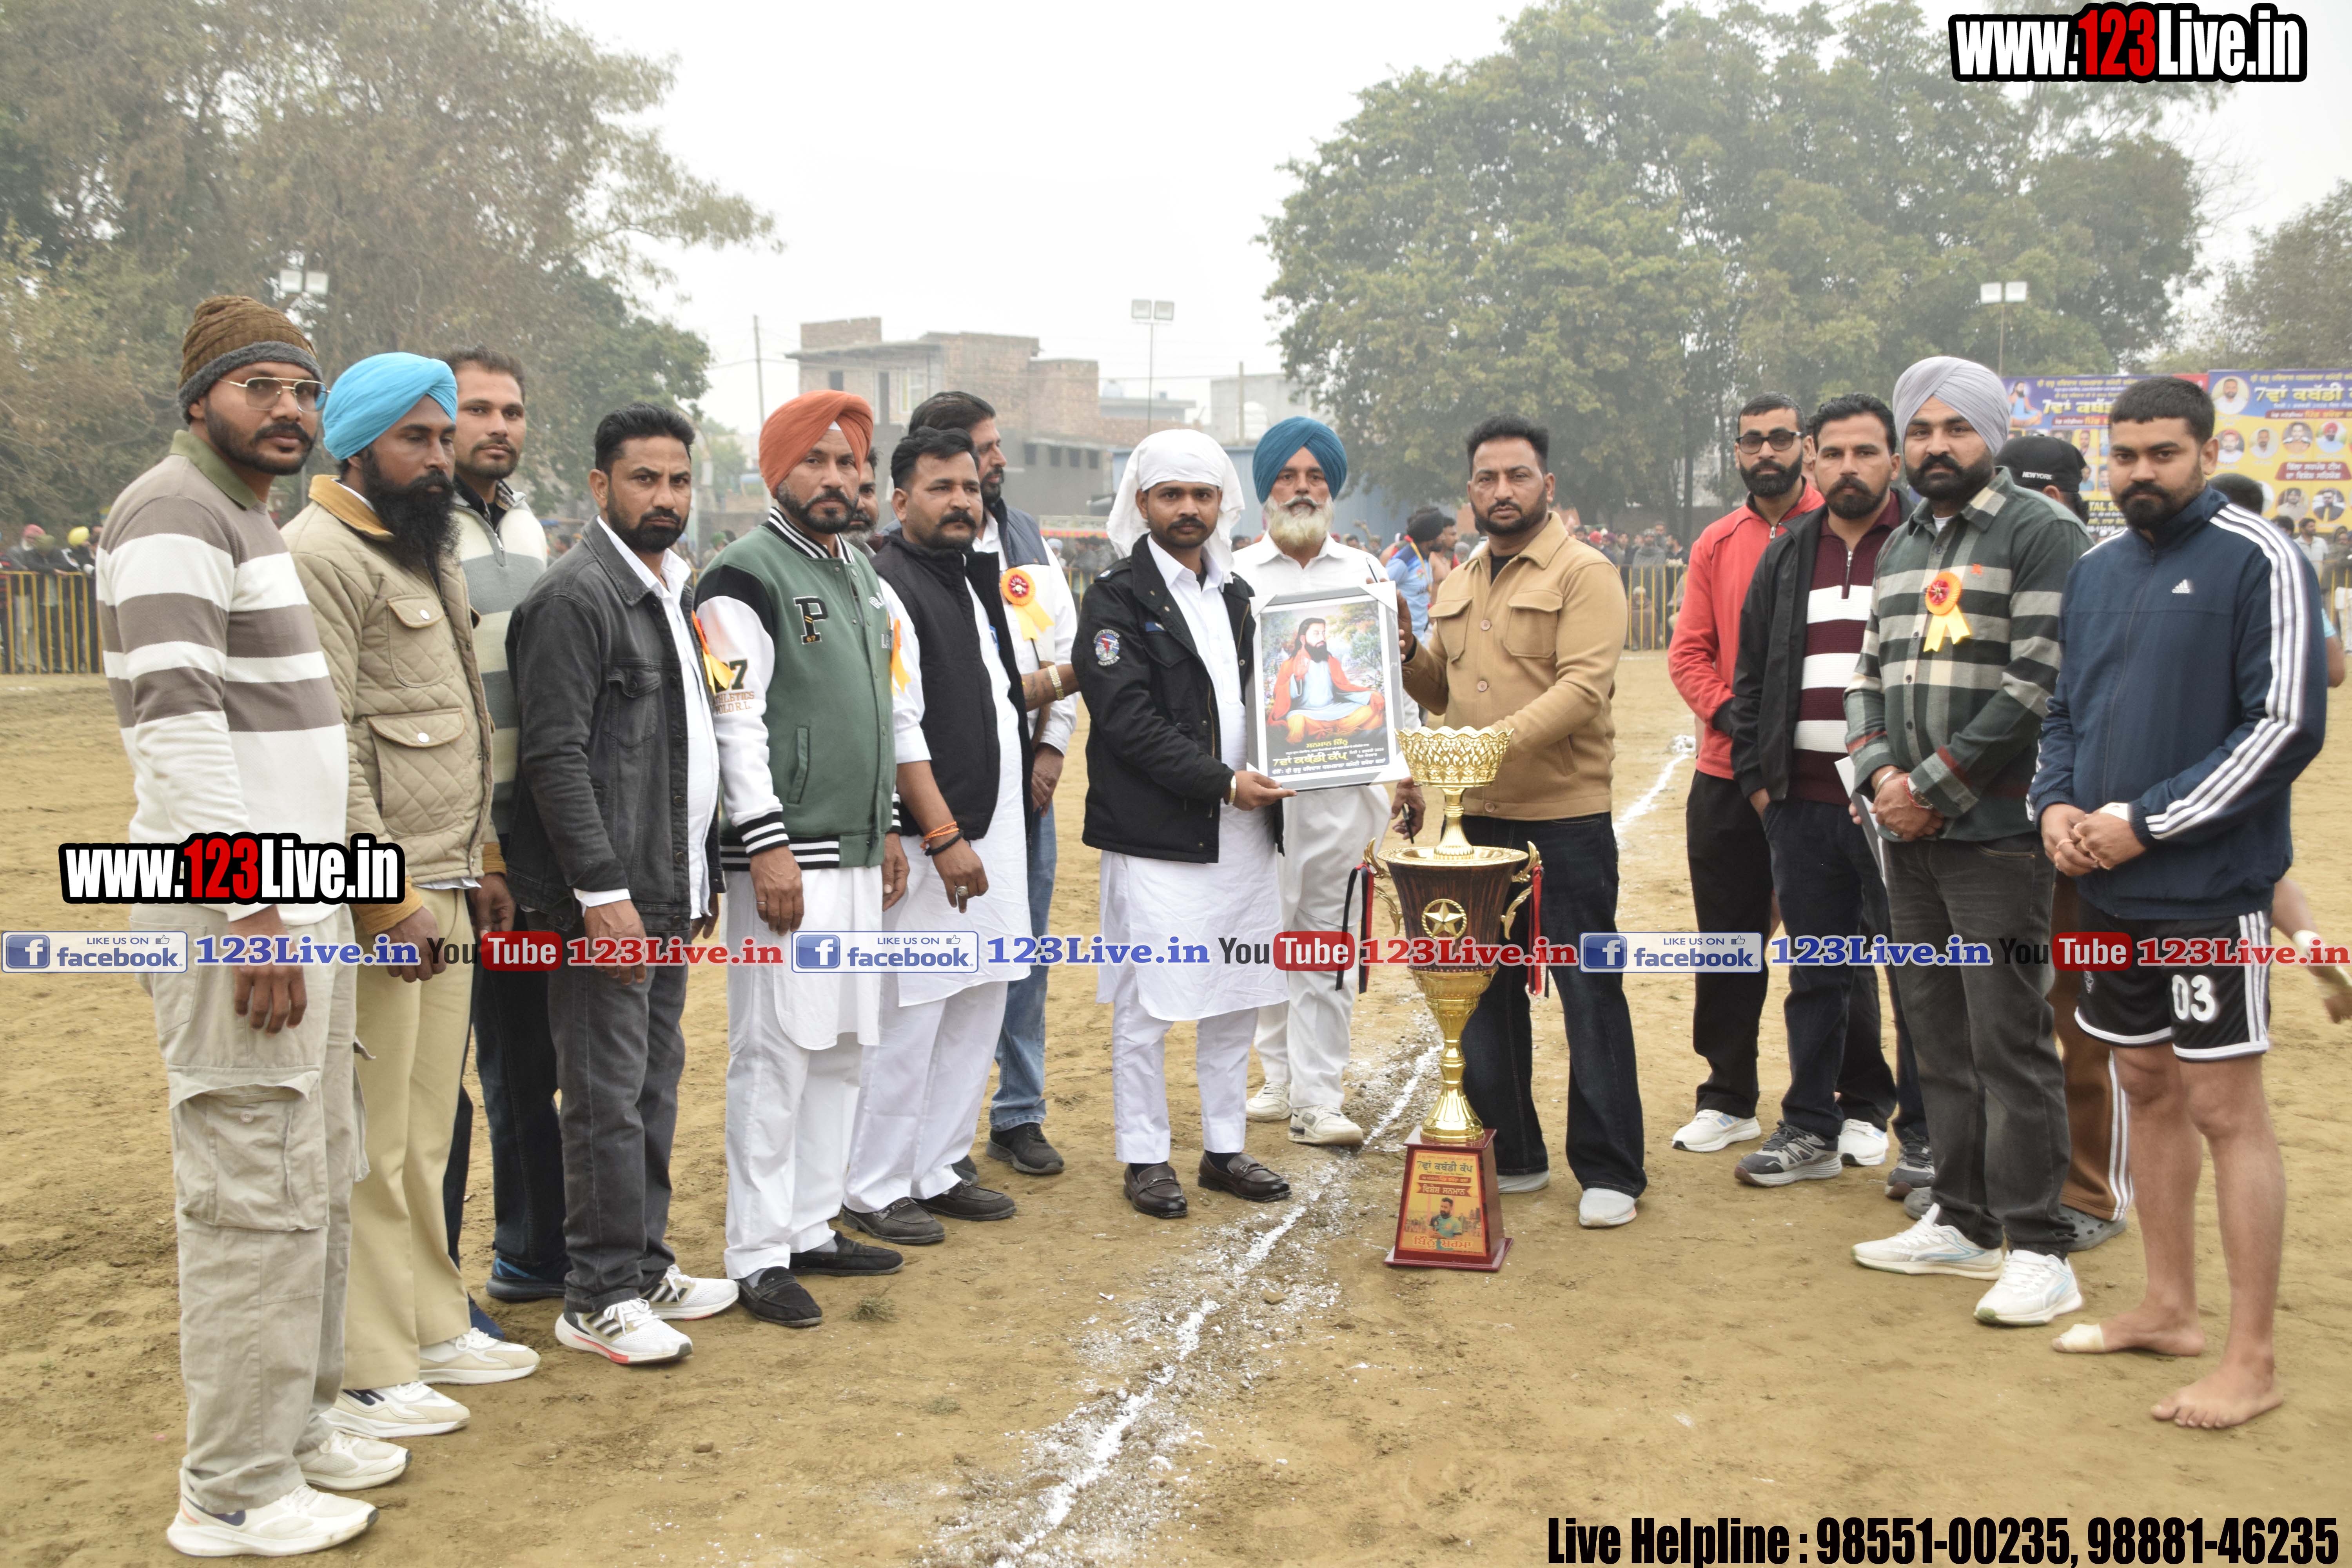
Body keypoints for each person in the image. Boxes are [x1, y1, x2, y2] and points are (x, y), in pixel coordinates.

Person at [105, 297, 390, 1554]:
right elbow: (173, 731)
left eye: (304, 389)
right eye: (258, 386)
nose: (289, 409)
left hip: (300, 903)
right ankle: (230, 1486)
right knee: (250, 1198)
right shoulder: (173, 513)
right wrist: (252, 910)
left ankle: (299, 1429)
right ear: (198, 399)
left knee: (310, 1176)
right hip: (239, 913)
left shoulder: (248, 517)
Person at [2034, 375, 2325, 1428]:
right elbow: (2064, 711)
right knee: (2145, 1085)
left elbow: (2284, 724)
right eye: (2125, 455)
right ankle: (2168, 1308)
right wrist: (2056, 807)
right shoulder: (2097, 568)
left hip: (2210, 890)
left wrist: (2145, 822)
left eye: (2162, 453)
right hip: (2110, 892)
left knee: (2223, 1108)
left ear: (2205, 452)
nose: (2140, 472)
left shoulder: (2262, 558)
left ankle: (2253, 1359)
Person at [283, 352, 535, 1441]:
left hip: (451, 877)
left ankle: (432, 1322)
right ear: (356, 446)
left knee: (428, 1131)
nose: (439, 456)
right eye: (415, 439)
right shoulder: (319, 554)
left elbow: (464, 720)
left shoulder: (423, 543)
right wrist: (381, 897)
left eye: (443, 437)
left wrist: (484, 853)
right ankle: (368, 1364)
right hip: (383, 895)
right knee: (373, 1144)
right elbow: (330, 740)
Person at [1847, 356, 2087, 1326]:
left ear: (1992, 432)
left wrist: (1934, 789)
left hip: (1995, 834)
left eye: (1957, 428)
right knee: (1936, 1033)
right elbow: (1866, 676)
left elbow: (2038, 681)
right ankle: (1962, 1214)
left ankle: (2040, 1244)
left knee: (2009, 1041)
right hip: (1907, 835)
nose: (1936, 446)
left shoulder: (2040, 530)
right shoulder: (1903, 543)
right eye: (1921, 430)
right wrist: (1880, 778)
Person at [508, 403, 737, 1366]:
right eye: (645, 479)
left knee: (650, 1082)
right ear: (600, 485)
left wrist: (700, 868)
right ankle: (597, 1292)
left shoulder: (671, 587)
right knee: (605, 1094)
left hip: (666, 886)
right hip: (608, 899)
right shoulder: (578, 596)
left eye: (679, 480)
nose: (665, 497)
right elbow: (555, 757)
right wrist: (601, 892)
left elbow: (687, 743)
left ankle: (643, 1263)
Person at [695, 390, 907, 1325]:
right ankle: (757, 1250)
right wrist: (766, 842)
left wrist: (889, 822)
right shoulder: (740, 577)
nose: (836, 478)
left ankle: (812, 1221)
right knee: (775, 1051)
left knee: (846, 1042)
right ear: (777, 469)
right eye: (816, 460)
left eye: (850, 462)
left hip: (855, 849)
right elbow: (735, 721)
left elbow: (882, 715)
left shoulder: (860, 571)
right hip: (786, 860)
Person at [1399, 416, 1643, 1227]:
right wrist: (1405, 651)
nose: (1501, 491)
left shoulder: (1586, 573)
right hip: (1475, 821)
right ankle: (1515, 1152)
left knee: (1587, 989)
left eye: (1518, 475)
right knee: (1485, 991)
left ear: (1548, 485)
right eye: (1487, 478)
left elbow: (1582, 689)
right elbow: (1440, 692)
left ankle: (1611, 1167)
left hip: (1564, 817)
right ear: (1469, 491)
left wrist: (1485, 746)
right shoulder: (1460, 580)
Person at [1076, 428, 1296, 1219]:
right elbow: (1127, 721)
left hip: (1243, 831)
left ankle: (1225, 1148)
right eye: (1172, 495)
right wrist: (1224, 783)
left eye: (1203, 495)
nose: (1188, 509)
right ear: (1143, 502)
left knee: (1237, 991)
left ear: (1221, 503)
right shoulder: (1115, 598)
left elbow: (1272, 702)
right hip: (1159, 836)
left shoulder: (1237, 596)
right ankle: (1145, 1156)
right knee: (1148, 1003)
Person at [844, 425, 1050, 1244]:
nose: (962, 501)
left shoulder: (973, 576)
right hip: (940, 838)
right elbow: (898, 726)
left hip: (995, 830)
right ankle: (873, 1184)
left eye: (969, 487)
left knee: (981, 996)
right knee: (914, 1012)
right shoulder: (889, 584)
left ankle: (937, 1166)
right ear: (901, 501)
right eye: (941, 488)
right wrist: (938, 832)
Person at [1726, 393, 1924, 1189]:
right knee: (1817, 973)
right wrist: (1761, 787)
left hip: (1901, 807)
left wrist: (1912, 787)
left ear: (1894, 461)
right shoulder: (1788, 553)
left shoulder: (1926, 544)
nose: (1849, 467)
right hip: (1800, 807)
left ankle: (1929, 1139)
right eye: (1833, 453)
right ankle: (1810, 1125)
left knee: (1917, 977)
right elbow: (1750, 676)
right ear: (1813, 460)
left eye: (1865, 452)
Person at [1230, 417, 1421, 1148]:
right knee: (1268, 935)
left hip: (1347, 794)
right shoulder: (1235, 577)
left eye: (1315, 477)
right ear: (1267, 489)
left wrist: (1405, 769)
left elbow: (1389, 682)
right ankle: (1278, 1076)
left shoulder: (1367, 573)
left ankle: (1319, 1098)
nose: (1303, 490)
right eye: (1288, 477)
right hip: (1259, 796)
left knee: (1330, 940)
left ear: (1332, 488)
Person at [907, 390, 1077, 1180]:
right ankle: (932, 1139)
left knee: (1022, 951)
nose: (995, 463)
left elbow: (1064, 648)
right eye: (980, 451)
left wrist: (1053, 746)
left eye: (992, 452)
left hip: (1026, 784)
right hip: (945, 795)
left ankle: (1018, 1113)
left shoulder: (1026, 537)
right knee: (941, 967)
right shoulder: (902, 562)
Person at [431, 348, 564, 1317]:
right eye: (477, 408)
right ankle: (426, 1287)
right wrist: (476, 844)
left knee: (526, 1062)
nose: (498, 426)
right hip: (447, 842)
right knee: (434, 1079)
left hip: (530, 838)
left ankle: (529, 1255)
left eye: (511, 410)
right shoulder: (413, 525)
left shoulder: (525, 522)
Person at [1665, 394, 1825, 1159]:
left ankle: (1848, 1098)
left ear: (1807, 447)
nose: (1767, 452)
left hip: (1823, 774)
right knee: (1728, 938)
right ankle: (1728, 1095)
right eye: (1753, 440)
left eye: (1781, 438)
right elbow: (1688, 654)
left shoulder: (1846, 534)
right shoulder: (1717, 542)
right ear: (1736, 452)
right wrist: (1739, 720)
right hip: (1727, 770)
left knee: (1832, 940)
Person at [1995, 430, 2131, 1247]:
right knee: (2005, 1017)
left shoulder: (2106, 577)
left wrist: (2081, 809)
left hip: (2084, 828)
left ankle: (2093, 1190)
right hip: (1999, 825)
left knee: (2084, 1019)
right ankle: (2013, 1175)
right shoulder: (1988, 565)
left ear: (2051, 497)